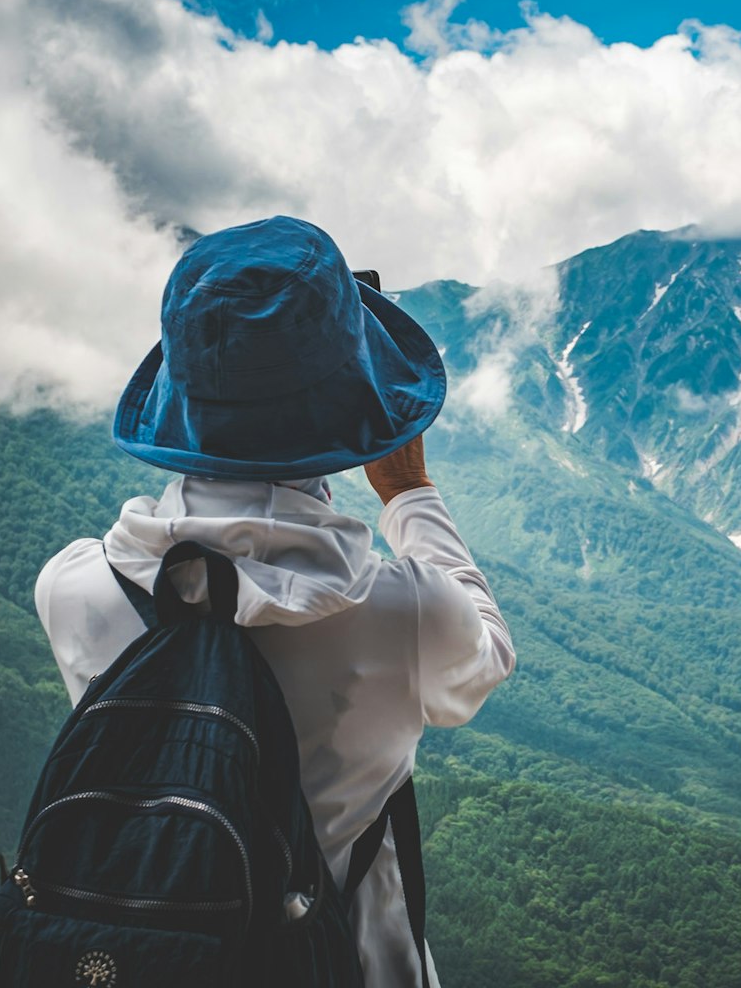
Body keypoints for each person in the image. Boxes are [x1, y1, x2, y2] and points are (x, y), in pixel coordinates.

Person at [32, 215, 516, 987]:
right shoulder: (403, 618)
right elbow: (487, 652)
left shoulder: (74, 588)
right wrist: (410, 493)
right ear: (353, 406)